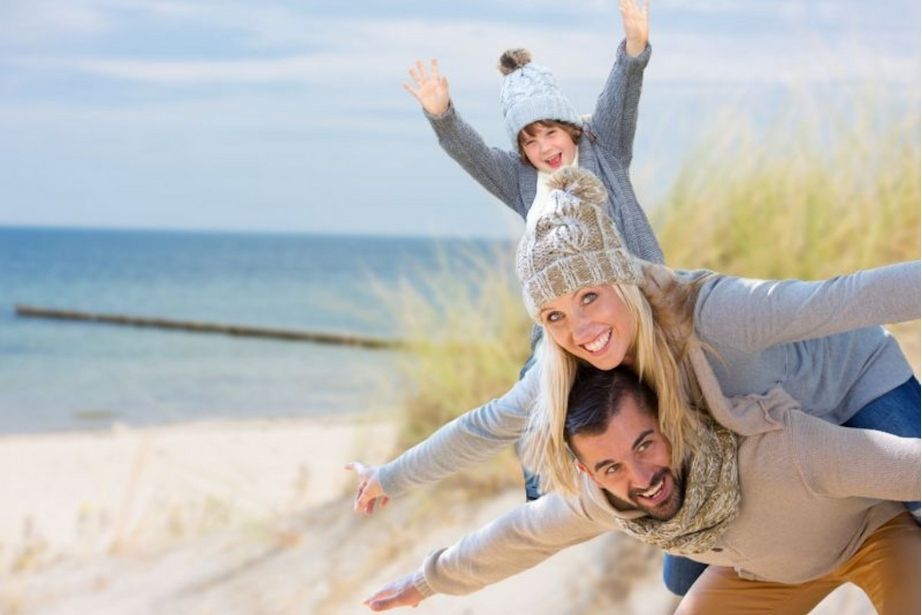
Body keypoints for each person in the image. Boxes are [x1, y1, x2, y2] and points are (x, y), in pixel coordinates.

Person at [347, 167, 921, 595]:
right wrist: (390, 477)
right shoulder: (565, 367)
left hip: (851, 385)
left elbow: (845, 299)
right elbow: (486, 427)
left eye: (589, 297)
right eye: (554, 316)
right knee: (682, 577)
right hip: (776, 447)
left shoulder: (710, 312)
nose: (580, 330)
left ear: (621, 279)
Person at [363, 365, 920, 614]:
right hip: (768, 574)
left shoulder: (779, 450)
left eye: (645, 444)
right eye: (609, 467)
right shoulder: (610, 499)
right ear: (587, 474)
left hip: (871, 538)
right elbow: (521, 536)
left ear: (669, 423)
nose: (640, 478)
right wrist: (425, 582)